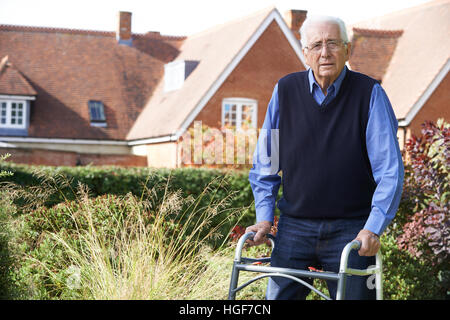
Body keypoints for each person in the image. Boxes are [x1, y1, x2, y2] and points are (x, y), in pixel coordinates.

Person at [246, 15, 404, 300]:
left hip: (351, 229)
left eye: (333, 43)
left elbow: (389, 171)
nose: (325, 52)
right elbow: (266, 163)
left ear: (347, 49)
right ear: (305, 52)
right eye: (316, 45)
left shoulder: (370, 94)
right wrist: (264, 218)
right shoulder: (285, 91)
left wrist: (373, 228)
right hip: (294, 226)